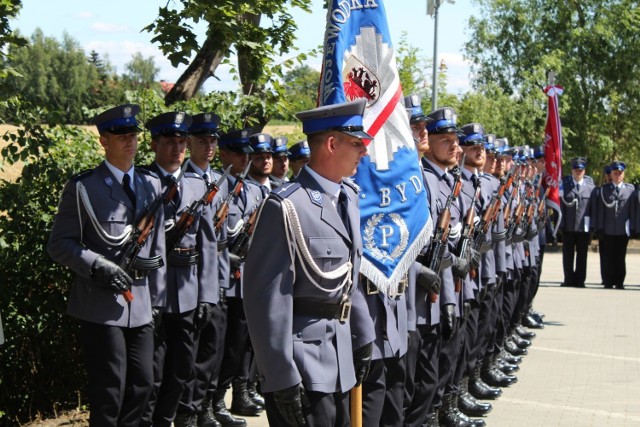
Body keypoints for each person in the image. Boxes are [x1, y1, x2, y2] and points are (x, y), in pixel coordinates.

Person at [243, 99, 375, 426]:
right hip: (303, 364)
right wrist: (280, 377)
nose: (365, 152)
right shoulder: (286, 207)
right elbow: (267, 303)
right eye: (357, 143)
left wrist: (363, 339)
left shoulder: (349, 197)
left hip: (341, 354)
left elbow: (349, 280)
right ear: (331, 144)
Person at [47, 104, 166, 427]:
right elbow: (59, 244)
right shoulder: (84, 187)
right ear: (103, 141)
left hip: (141, 303)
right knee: (110, 390)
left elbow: (157, 250)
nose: (130, 141)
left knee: (144, 382)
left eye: (133, 135)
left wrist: (157, 298)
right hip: (101, 305)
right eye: (121, 136)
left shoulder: (150, 184)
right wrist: (97, 265)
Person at [142, 111, 219, 427]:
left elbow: (208, 244)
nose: (177, 149)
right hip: (152, 293)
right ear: (154, 144)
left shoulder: (194, 186)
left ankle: (168, 418)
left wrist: (207, 296)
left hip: (187, 291)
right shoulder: (142, 182)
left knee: (182, 365)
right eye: (169, 142)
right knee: (152, 370)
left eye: (180, 142)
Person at [177, 112, 228, 427]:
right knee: (190, 350)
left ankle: (205, 404)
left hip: (220, 275)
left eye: (212, 140)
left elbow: (220, 238)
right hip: (192, 278)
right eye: (202, 140)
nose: (208, 146)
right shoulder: (183, 181)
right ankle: (187, 410)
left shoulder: (218, 182)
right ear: (190, 143)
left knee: (214, 346)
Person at [214, 129, 266, 422]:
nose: (245, 158)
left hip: (248, 282)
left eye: (247, 153)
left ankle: (231, 397)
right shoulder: (219, 189)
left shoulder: (255, 191)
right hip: (225, 281)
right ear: (224, 155)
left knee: (240, 346)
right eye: (238, 153)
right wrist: (225, 257)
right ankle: (215, 402)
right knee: (222, 348)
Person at [593, 161, 636, 289]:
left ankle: (619, 281)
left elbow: (632, 211)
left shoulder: (630, 190)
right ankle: (607, 280)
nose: (617, 176)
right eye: (615, 173)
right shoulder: (604, 190)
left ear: (623, 175)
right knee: (607, 256)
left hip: (623, 229)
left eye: (620, 173)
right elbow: (600, 210)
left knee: (620, 256)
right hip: (607, 229)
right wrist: (599, 227)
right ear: (610, 175)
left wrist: (633, 227)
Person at [559, 157, 595, 288]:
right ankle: (568, 279)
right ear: (572, 171)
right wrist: (560, 224)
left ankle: (580, 280)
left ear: (584, 171)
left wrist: (593, 226)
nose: (578, 172)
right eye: (576, 170)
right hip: (568, 226)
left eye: (580, 170)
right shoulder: (564, 185)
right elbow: (561, 206)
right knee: (567, 255)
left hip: (583, 227)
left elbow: (593, 209)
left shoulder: (591, 187)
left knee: (582, 255)